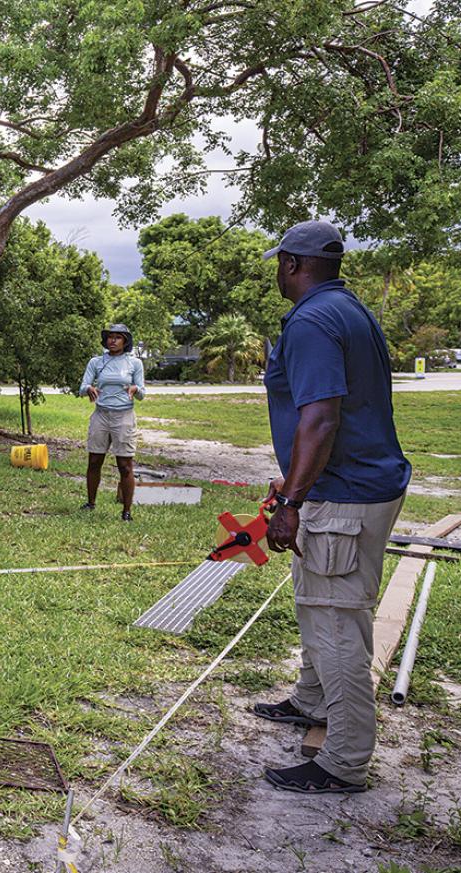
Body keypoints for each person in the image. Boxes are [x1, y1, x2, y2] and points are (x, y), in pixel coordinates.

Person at [251, 220, 410, 795]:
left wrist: (290, 501)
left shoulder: (313, 321)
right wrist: (296, 479)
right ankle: (310, 700)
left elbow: (321, 416)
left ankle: (342, 759)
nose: (278, 271)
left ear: (293, 264)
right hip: (347, 484)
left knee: (337, 622)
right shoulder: (349, 309)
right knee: (315, 599)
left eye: (279, 263)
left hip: (344, 495)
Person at [78, 323, 145, 521]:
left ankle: (126, 511)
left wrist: (134, 389)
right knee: (94, 460)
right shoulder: (96, 362)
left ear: (125, 341)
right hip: (101, 415)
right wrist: (89, 388)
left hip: (123, 417)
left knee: (124, 464)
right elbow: (82, 387)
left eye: (117, 337)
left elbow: (142, 392)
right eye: (110, 337)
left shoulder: (134, 363)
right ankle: (90, 503)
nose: (112, 341)